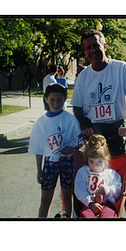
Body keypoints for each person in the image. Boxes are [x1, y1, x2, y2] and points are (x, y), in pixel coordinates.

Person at [71, 29, 126, 156]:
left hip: (118, 129)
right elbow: (77, 107)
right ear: (85, 52)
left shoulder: (122, 68)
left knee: (122, 171)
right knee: (96, 171)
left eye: (96, 45)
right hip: (94, 131)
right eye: (88, 48)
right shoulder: (82, 77)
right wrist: (84, 127)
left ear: (104, 46)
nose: (93, 50)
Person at [28, 83, 82, 218]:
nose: (56, 103)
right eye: (52, 100)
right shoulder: (41, 122)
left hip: (67, 163)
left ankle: (66, 219)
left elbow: (80, 142)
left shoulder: (70, 119)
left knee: (66, 198)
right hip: (49, 164)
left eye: (59, 100)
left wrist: (73, 148)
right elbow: (38, 148)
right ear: (46, 99)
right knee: (45, 199)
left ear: (64, 100)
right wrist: (39, 170)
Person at [74, 134, 122, 218]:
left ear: (106, 160)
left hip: (107, 204)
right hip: (88, 204)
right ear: (87, 159)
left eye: (99, 162)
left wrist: (105, 189)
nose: (95, 165)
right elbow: (79, 190)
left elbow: (117, 191)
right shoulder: (83, 172)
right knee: (86, 216)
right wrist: (90, 202)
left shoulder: (111, 174)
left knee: (107, 216)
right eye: (91, 162)